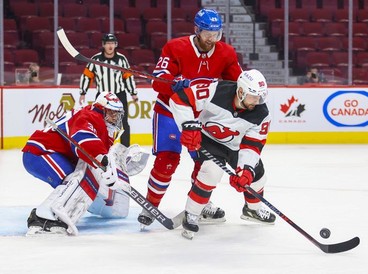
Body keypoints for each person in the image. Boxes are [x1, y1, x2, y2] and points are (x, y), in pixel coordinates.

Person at [137, 8, 243, 227]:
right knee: (167, 161)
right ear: (197, 31)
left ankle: (200, 203)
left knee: (205, 162)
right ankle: (150, 204)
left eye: (216, 34)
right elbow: (158, 80)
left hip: (201, 117)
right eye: (207, 34)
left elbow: (237, 84)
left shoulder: (226, 53)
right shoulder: (176, 47)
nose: (212, 39)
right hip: (170, 111)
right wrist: (172, 82)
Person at [168, 69, 276, 238]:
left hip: (237, 146)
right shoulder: (216, 90)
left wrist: (245, 170)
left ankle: (253, 210)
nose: (258, 101)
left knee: (257, 178)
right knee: (211, 173)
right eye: (253, 96)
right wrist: (188, 125)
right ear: (240, 91)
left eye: (261, 96)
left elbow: (253, 145)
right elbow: (179, 99)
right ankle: (192, 214)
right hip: (209, 141)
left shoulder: (261, 114)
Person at [22, 92, 146, 236]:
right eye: (112, 113)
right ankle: (42, 218)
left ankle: (56, 214)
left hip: (55, 154)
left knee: (77, 178)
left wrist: (117, 167)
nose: (116, 117)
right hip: (40, 152)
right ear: (102, 109)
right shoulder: (89, 116)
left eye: (118, 114)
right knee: (74, 181)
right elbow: (83, 139)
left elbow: (104, 155)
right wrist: (103, 161)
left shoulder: (103, 127)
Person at [79, 33, 138, 147]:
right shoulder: (96, 59)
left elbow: (128, 76)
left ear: (115, 45)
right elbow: (87, 76)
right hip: (102, 96)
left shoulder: (121, 59)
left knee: (123, 122)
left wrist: (133, 93)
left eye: (112, 43)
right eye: (108, 43)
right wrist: (83, 92)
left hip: (119, 95)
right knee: (99, 122)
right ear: (103, 45)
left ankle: (124, 150)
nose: (110, 46)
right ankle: (100, 147)